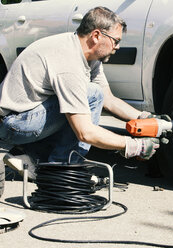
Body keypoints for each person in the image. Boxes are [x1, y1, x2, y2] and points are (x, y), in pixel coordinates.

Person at [0, 7, 160, 180]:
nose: (118, 47)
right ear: (97, 36)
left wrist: (146, 118)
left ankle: (33, 159)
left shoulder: (88, 56)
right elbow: (85, 132)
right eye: (116, 41)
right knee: (91, 95)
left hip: (25, 117)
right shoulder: (68, 60)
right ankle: (63, 169)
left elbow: (109, 99)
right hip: (13, 124)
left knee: (92, 95)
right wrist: (132, 146)